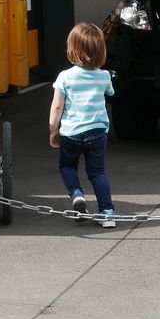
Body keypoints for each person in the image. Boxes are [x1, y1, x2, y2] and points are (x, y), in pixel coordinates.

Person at [49, 22, 118, 229]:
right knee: (97, 172)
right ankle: (107, 212)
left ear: (72, 48)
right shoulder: (104, 76)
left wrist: (54, 130)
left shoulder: (65, 77)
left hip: (71, 133)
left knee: (67, 166)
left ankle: (77, 195)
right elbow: (111, 94)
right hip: (97, 133)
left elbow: (57, 107)